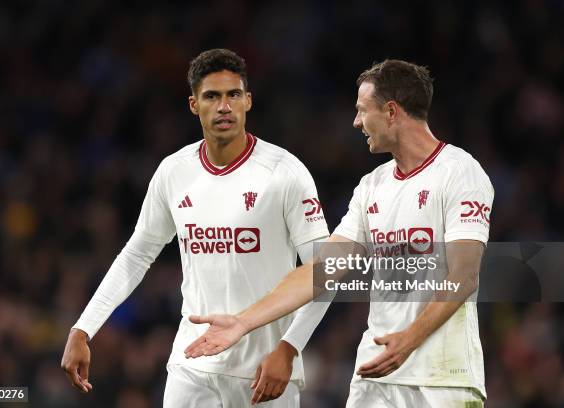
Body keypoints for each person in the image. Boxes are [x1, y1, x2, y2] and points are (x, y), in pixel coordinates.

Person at [184, 59, 494, 407]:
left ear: (391, 111)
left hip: (441, 378)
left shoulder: (460, 173)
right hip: (375, 373)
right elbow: (321, 270)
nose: (357, 122)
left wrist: (409, 340)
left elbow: (464, 276)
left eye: (363, 111)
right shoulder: (371, 186)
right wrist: (243, 322)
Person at [60, 48, 331, 407]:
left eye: (233, 95)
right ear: (193, 104)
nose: (224, 106)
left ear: (248, 101)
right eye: (212, 96)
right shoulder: (174, 172)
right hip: (191, 367)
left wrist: (289, 347)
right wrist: (83, 327)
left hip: (264, 371)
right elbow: (137, 255)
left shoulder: (284, 171)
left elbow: (327, 269)